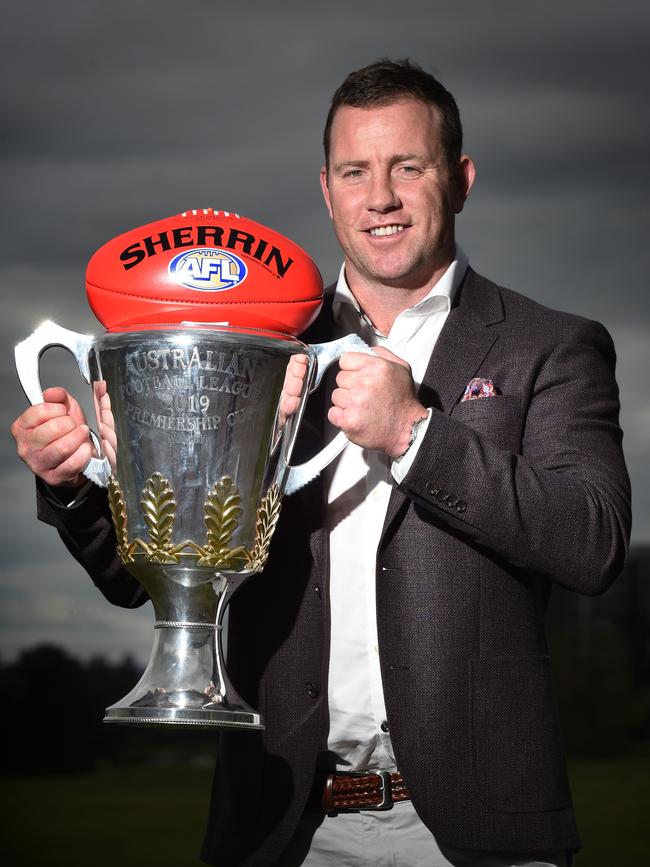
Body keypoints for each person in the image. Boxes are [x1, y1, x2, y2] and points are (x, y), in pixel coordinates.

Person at [11, 59, 631, 867]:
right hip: (285, 825)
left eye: (408, 167)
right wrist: (72, 486)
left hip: (480, 832)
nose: (380, 196)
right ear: (328, 188)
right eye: (355, 171)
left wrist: (416, 432)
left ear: (462, 178)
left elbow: (593, 542)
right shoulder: (259, 351)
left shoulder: (549, 345)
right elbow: (144, 575)